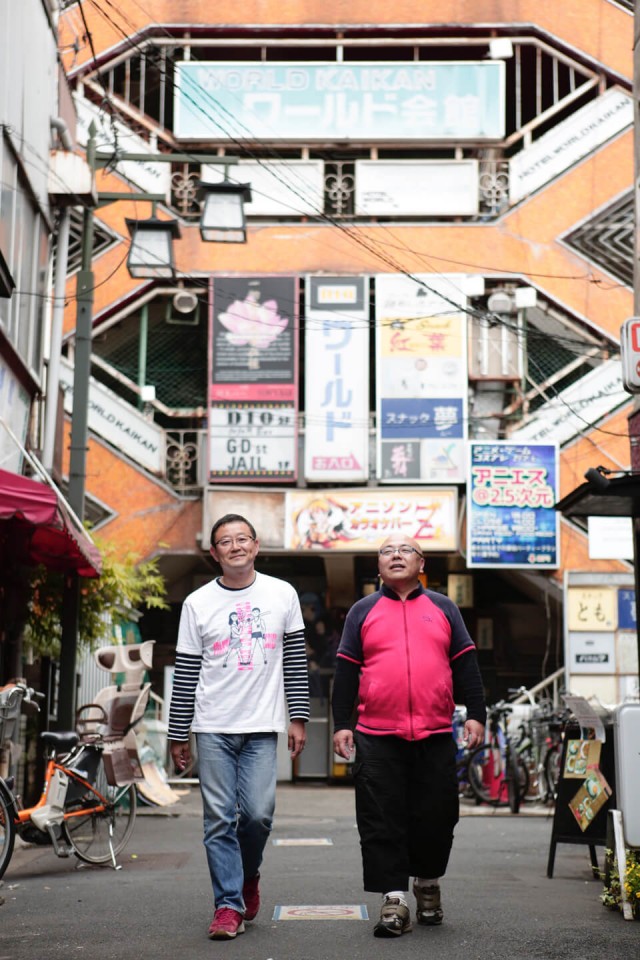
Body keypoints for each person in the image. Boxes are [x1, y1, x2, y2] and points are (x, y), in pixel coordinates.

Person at [331, 533, 486, 939]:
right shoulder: (362, 611)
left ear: (422, 564)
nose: (395, 555)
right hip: (377, 735)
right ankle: (395, 898)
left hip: (435, 733)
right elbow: (346, 671)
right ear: (378, 564)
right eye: (386, 550)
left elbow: (467, 665)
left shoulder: (443, 608)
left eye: (405, 550)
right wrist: (341, 724)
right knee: (381, 818)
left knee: (436, 816)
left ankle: (428, 882)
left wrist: (476, 714)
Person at [168, 513, 310, 940]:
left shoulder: (282, 594)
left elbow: (296, 661)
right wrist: (179, 732)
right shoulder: (197, 603)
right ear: (214, 553)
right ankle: (228, 906)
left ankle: (248, 876)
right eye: (225, 541)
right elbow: (187, 671)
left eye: (242, 538)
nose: (235, 546)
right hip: (212, 726)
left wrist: (297, 718)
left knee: (257, 816)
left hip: (262, 726)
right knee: (217, 820)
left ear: (255, 545)